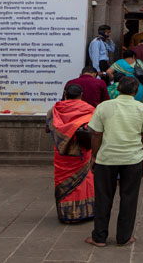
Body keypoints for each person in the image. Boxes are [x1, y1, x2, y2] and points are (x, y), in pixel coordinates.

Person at [85, 75, 143, 248]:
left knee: (103, 197)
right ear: (136, 90)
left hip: (107, 157)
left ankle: (99, 237)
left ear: (118, 89)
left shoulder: (104, 107)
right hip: (133, 159)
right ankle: (124, 237)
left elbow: (96, 134)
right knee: (129, 198)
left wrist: (95, 155)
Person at [46, 84, 96, 224]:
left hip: (62, 153)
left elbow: (48, 128)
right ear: (81, 95)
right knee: (85, 182)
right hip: (82, 153)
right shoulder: (89, 109)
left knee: (63, 181)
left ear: (65, 94)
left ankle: (67, 214)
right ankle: (86, 212)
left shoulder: (55, 110)